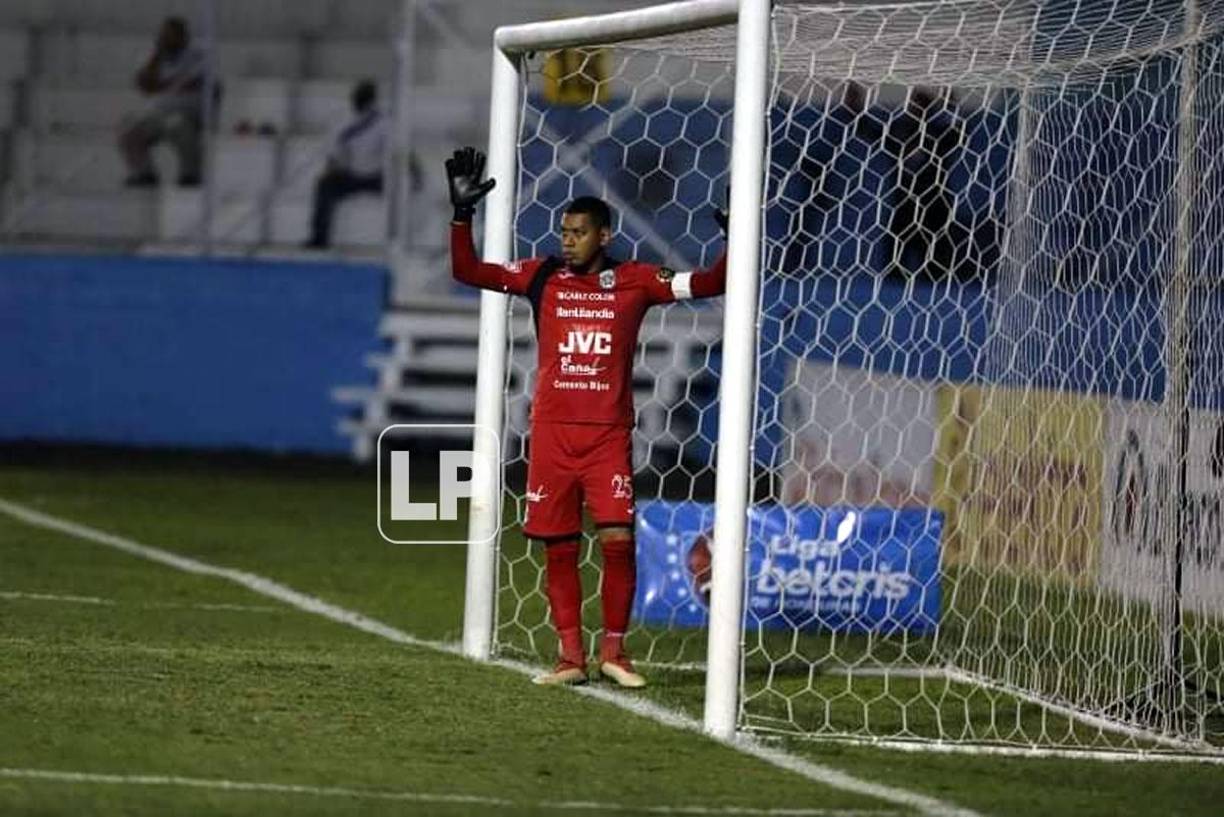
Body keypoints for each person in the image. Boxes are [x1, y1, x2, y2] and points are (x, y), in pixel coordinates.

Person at [446, 146, 728, 687]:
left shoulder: (638, 281)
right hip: (551, 436)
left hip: (607, 439)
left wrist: (734, 239)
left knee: (619, 540)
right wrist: (462, 216)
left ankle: (615, 655)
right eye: (563, 231)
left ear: (604, 236)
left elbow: (711, 284)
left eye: (578, 232)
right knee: (560, 547)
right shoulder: (540, 276)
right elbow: (467, 270)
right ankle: (570, 658)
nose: (566, 240)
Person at [119, 17, 208, 188]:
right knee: (128, 129)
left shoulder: (197, 56)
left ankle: (190, 175)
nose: (166, 39)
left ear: (183, 37)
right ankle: (145, 173)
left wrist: (160, 85)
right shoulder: (155, 57)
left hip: (187, 114)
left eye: (171, 36)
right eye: (163, 35)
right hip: (157, 114)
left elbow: (193, 83)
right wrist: (157, 58)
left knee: (177, 124)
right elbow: (144, 85)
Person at [304, 80, 388, 249]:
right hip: (352, 175)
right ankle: (319, 238)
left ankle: (397, 240)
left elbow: (392, 151)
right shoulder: (344, 121)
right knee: (324, 185)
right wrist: (330, 170)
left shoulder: (384, 122)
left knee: (403, 189)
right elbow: (334, 154)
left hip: (377, 176)